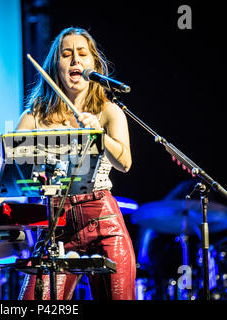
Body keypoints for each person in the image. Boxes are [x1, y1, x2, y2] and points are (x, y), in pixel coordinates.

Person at [15, 27, 136, 300]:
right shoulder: (34, 116)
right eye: (66, 54)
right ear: (54, 66)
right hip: (56, 225)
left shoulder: (109, 111)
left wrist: (99, 136)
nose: (75, 61)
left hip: (103, 222)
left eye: (82, 54)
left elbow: (125, 163)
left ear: (93, 64)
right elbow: (12, 168)